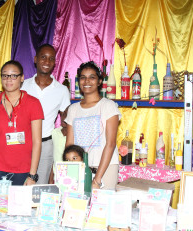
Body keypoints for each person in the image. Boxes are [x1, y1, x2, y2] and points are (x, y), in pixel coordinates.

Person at [0, 60, 44, 185]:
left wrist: (32, 175)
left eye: (14, 75)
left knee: (19, 204)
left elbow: (37, 141)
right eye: (5, 75)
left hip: (22, 169)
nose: (9, 79)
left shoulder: (33, 103)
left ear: (22, 78)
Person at [65, 61, 121, 190]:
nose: (87, 81)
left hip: (105, 169)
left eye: (92, 77)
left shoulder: (108, 105)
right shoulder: (73, 109)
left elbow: (110, 143)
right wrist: (71, 171)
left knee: (102, 207)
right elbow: (69, 145)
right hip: (79, 169)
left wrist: (97, 178)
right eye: (83, 77)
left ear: (100, 81)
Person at [22, 44, 71, 184]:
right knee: (19, 185)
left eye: (51, 58)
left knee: (39, 187)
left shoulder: (62, 90)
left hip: (45, 145)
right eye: (43, 57)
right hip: (22, 143)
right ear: (36, 59)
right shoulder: (22, 85)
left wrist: (67, 127)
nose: (47, 62)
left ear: (55, 63)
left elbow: (66, 117)